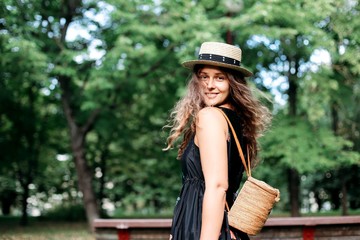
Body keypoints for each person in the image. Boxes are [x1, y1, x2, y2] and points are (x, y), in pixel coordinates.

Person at [164, 42, 271, 240]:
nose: (210, 85)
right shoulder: (236, 121)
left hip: (204, 229)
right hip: (217, 227)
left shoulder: (210, 117)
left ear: (233, 82)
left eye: (219, 78)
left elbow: (217, 187)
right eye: (204, 77)